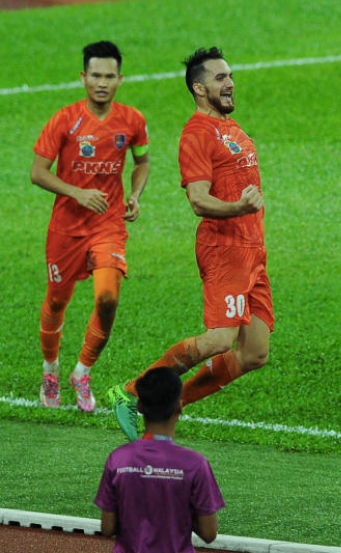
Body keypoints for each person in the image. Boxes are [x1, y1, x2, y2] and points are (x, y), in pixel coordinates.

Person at [108, 46, 273, 441]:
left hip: (253, 252)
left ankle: (169, 405)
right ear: (200, 89)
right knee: (219, 340)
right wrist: (238, 207)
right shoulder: (197, 133)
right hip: (224, 249)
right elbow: (199, 200)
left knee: (254, 353)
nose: (230, 83)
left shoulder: (233, 129)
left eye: (230, 76)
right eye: (220, 78)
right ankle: (130, 391)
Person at [31, 40, 150, 412]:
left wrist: (135, 194)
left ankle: (82, 372)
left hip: (108, 223)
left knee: (108, 298)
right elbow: (38, 172)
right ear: (83, 77)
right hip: (66, 227)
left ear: (120, 79)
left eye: (109, 76)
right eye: (96, 75)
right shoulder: (65, 120)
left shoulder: (133, 121)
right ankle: (51, 369)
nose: (102, 83)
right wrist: (77, 193)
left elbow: (142, 162)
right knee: (56, 300)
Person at [95, 366, 225, 552]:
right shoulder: (195, 464)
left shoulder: (118, 459)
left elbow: (108, 528)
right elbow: (209, 533)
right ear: (179, 407)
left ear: (139, 407)